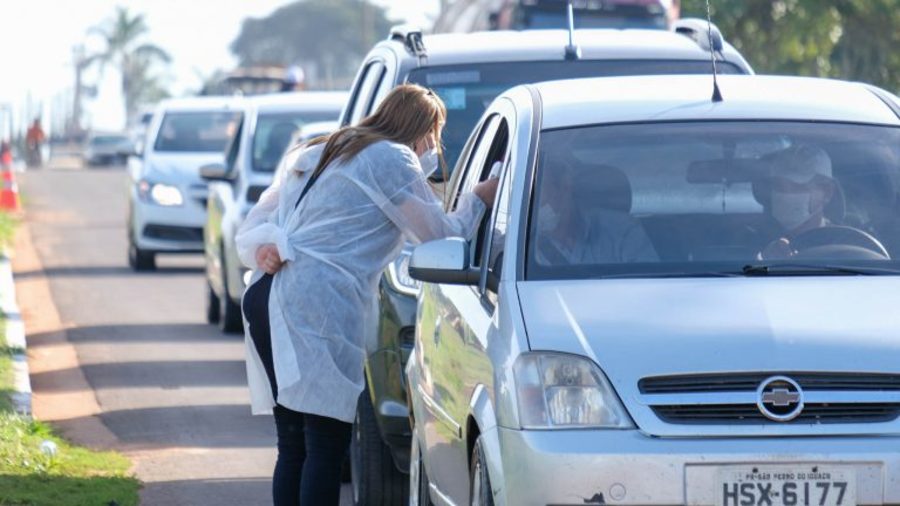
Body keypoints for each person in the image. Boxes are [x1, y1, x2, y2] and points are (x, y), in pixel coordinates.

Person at [234, 84, 497, 506]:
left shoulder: (328, 146)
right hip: (314, 304)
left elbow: (258, 221)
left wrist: (268, 247)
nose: (434, 147)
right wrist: (479, 198)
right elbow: (441, 236)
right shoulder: (391, 158)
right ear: (420, 128)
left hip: (268, 295)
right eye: (435, 133)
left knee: (294, 443)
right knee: (324, 442)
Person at [533, 160, 657, 265]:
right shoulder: (525, 249)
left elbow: (649, 286)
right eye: (530, 201)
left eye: (540, 198)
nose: (535, 209)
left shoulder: (620, 231)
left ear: (565, 187)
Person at [753, 144, 837, 260]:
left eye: (797, 186)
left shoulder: (847, 242)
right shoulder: (750, 240)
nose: (785, 194)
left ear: (827, 192)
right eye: (779, 186)